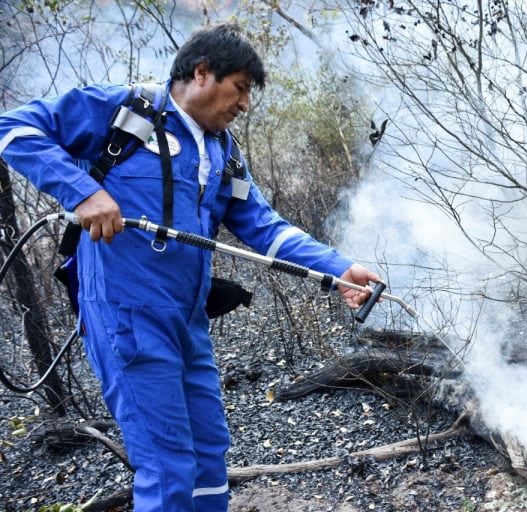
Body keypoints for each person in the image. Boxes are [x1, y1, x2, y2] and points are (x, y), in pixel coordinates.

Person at [0, 22, 380, 511]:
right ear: (202, 72)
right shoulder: (127, 112)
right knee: (166, 462)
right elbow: (14, 128)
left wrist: (339, 267)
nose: (244, 105)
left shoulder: (222, 153)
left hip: (189, 320)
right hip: (127, 318)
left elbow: (264, 226)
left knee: (208, 453)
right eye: (240, 88)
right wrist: (85, 193)